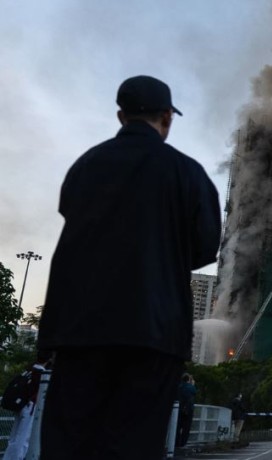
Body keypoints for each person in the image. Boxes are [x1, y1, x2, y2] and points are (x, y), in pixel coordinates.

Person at [37, 75, 222, 459]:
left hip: (79, 331)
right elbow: (205, 248)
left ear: (121, 116)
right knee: (136, 443)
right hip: (153, 334)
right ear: (167, 118)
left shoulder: (85, 166)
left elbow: (72, 220)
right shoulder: (188, 174)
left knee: (68, 442)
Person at [3, 351, 51, 460]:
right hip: (30, 408)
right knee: (23, 438)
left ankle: (7, 458)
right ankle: (17, 458)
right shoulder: (42, 374)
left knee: (14, 437)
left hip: (20, 406)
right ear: (48, 360)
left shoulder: (28, 371)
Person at [176, 373, 197, 447]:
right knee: (186, 427)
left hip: (178, 408)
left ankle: (176, 442)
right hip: (188, 409)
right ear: (188, 380)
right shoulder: (190, 387)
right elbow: (194, 392)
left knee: (177, 426)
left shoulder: (179, 385)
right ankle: (182, 443)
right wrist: (192, 384)